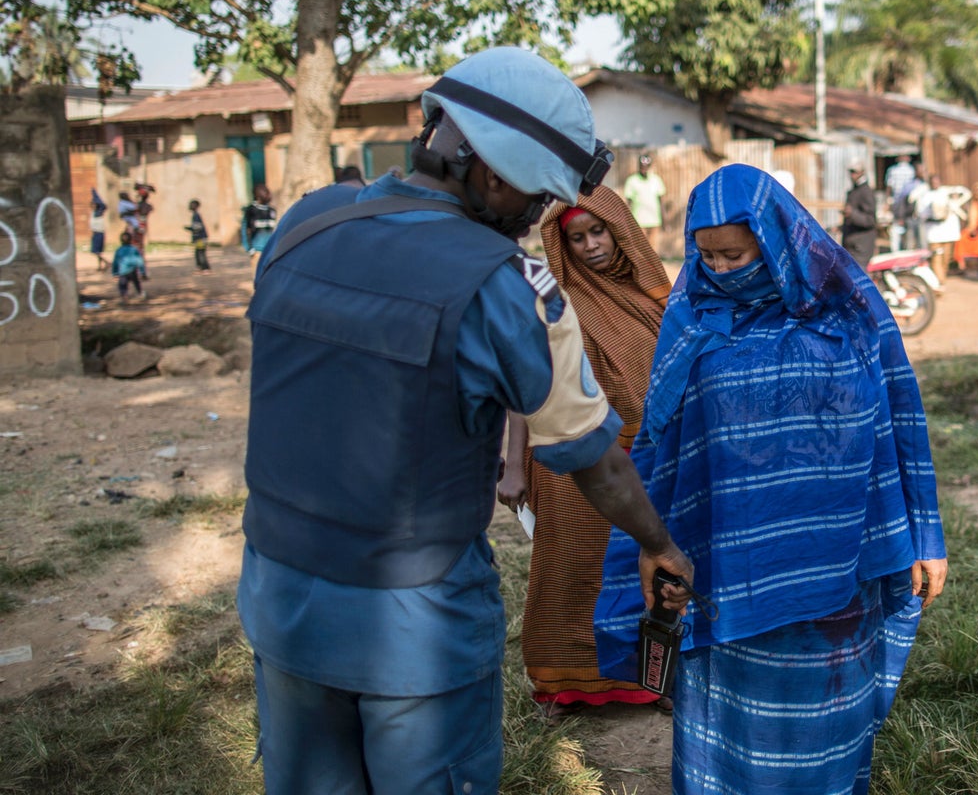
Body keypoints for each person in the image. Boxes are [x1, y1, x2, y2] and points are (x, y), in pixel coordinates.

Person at [237, 46, 693, 795]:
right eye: (539, 200)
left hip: (278, 590)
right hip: (410, 624)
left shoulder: (304, 223)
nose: (537, 219)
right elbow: (594, 459)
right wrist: (657, 544)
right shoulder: (508, 288)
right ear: (494, 175)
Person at [594, 164, 948, 795]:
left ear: (778, 238)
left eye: (736, 253)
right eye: (707, 256)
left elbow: (903, 417)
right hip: (726, 572)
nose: (722, 270)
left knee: (826, 735)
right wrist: (647, 550)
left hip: (839, 573)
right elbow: (659, 448)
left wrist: (926, 533)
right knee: (732, 739)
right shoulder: (690, 320)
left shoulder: (853, 309)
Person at [497, 184, 673, 721]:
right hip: (569, 461)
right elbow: (524, 386)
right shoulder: (551, 300)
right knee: (569, 568)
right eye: (577, 237)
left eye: (600, 231)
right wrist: (511, 463)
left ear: (622, 232)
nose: (592, 245)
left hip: (647, 460)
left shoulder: (656, 299)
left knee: (649, 570)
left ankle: (652, 680)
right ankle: (560, 682)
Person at [917, 173, 970, 283]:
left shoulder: (947, 193)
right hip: (933, 233)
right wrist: (934, 216)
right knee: (936, 257)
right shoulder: (925, 196)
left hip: (948, 232)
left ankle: (941, 277)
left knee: (946, 258)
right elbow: (921, 214)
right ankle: (939, 281)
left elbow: (964, 192)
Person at [622, 153, 666, 252]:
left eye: (646, 166)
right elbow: (628, 204)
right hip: (639, 221)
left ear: (650, 166)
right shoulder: (632, 181)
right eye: (642, 166)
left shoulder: (656, 180)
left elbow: (661, 202)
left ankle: (652, 268)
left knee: (653, 250)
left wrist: (664, 220)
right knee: (640, 249)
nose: (643, 169)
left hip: (655, 221)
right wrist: (627, 221)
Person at [841, 159, 877, 268]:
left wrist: (852, 214)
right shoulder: (854, 191)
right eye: (850, 172)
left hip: (861, 246)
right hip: (852, 244)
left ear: (862, 172)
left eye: (854, 171)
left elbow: (870, 220)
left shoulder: (866, 192)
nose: (852, 175)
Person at [242, 184, 277, 261]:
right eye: (264, 193)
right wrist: (250, 249)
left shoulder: (272, 211)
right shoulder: (250, 211)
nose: (267, 195)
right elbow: (245, 231)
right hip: (257, 251)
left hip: (271, 251)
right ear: (257, 196)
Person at [898, 162, 928, 250]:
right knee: (909, 243)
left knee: (922, 242)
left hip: (923, 218)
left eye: (923, 170)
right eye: (920, 171)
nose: (922, 172)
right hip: (910, 217)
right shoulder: (909, 185)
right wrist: (901, 217)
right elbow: (903, 201)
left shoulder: (926, 185)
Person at [111, 231, 146, 302]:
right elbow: (140, 261)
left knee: (122, 285)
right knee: (136, 282)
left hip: (123, 272)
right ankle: (140, 293)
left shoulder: (119, 250)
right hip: (133, 270)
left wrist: (115, 273)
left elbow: (115, 263)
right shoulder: (134, 249)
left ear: (121, 241)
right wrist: (143, 272)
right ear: (131, 240)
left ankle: (124, 296)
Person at [184, 199, 210, 273]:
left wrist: (190, 228)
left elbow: (198, 227)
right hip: (199, 238)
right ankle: (201, 267)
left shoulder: (196, 215)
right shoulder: (195, 215)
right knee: (198, 253)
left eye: (192, 204)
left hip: (200, 238)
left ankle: (205, 268)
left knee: (200, 253)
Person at [89, 188, 107, 271]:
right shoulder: (93, 213)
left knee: (96, 251)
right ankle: (100, 265)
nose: (93, 206)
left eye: (94, 204)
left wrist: (94, 193)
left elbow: (102, 205)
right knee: (97, 251)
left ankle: (106, 262)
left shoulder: (98, 213)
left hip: (99, 233)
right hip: (95, 233)